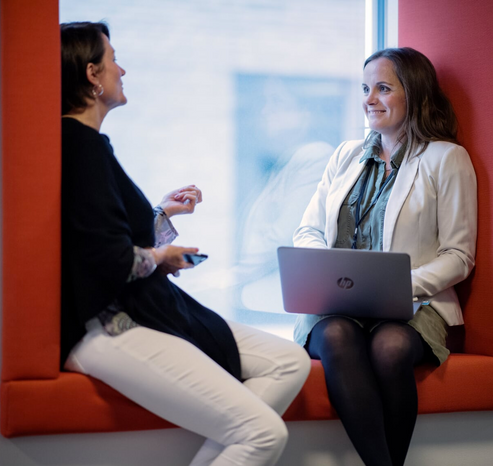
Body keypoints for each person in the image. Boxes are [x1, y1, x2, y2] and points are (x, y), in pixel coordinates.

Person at [59, 21, 310, 466]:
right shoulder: (81, 147)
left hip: (134, 311)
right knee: (262, 433)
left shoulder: (90, 146)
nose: (123, 69)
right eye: (114, 59)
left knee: (290, 361)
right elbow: (104, 259)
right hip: (111, 326)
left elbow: (106, 232)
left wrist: (160, 216)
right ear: (93, 75)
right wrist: (161, 256)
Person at [293, 47, 477, 466]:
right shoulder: (345, 155)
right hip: (336, 305)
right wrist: (320, 269)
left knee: (390, 349)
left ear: (413, 94)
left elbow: (459, 255)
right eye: (365, 88)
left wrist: (398, 286)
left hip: (415, 305)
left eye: (382, 88)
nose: (369, 99)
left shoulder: (446, 159)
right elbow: (307, 230)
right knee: (338, 336)